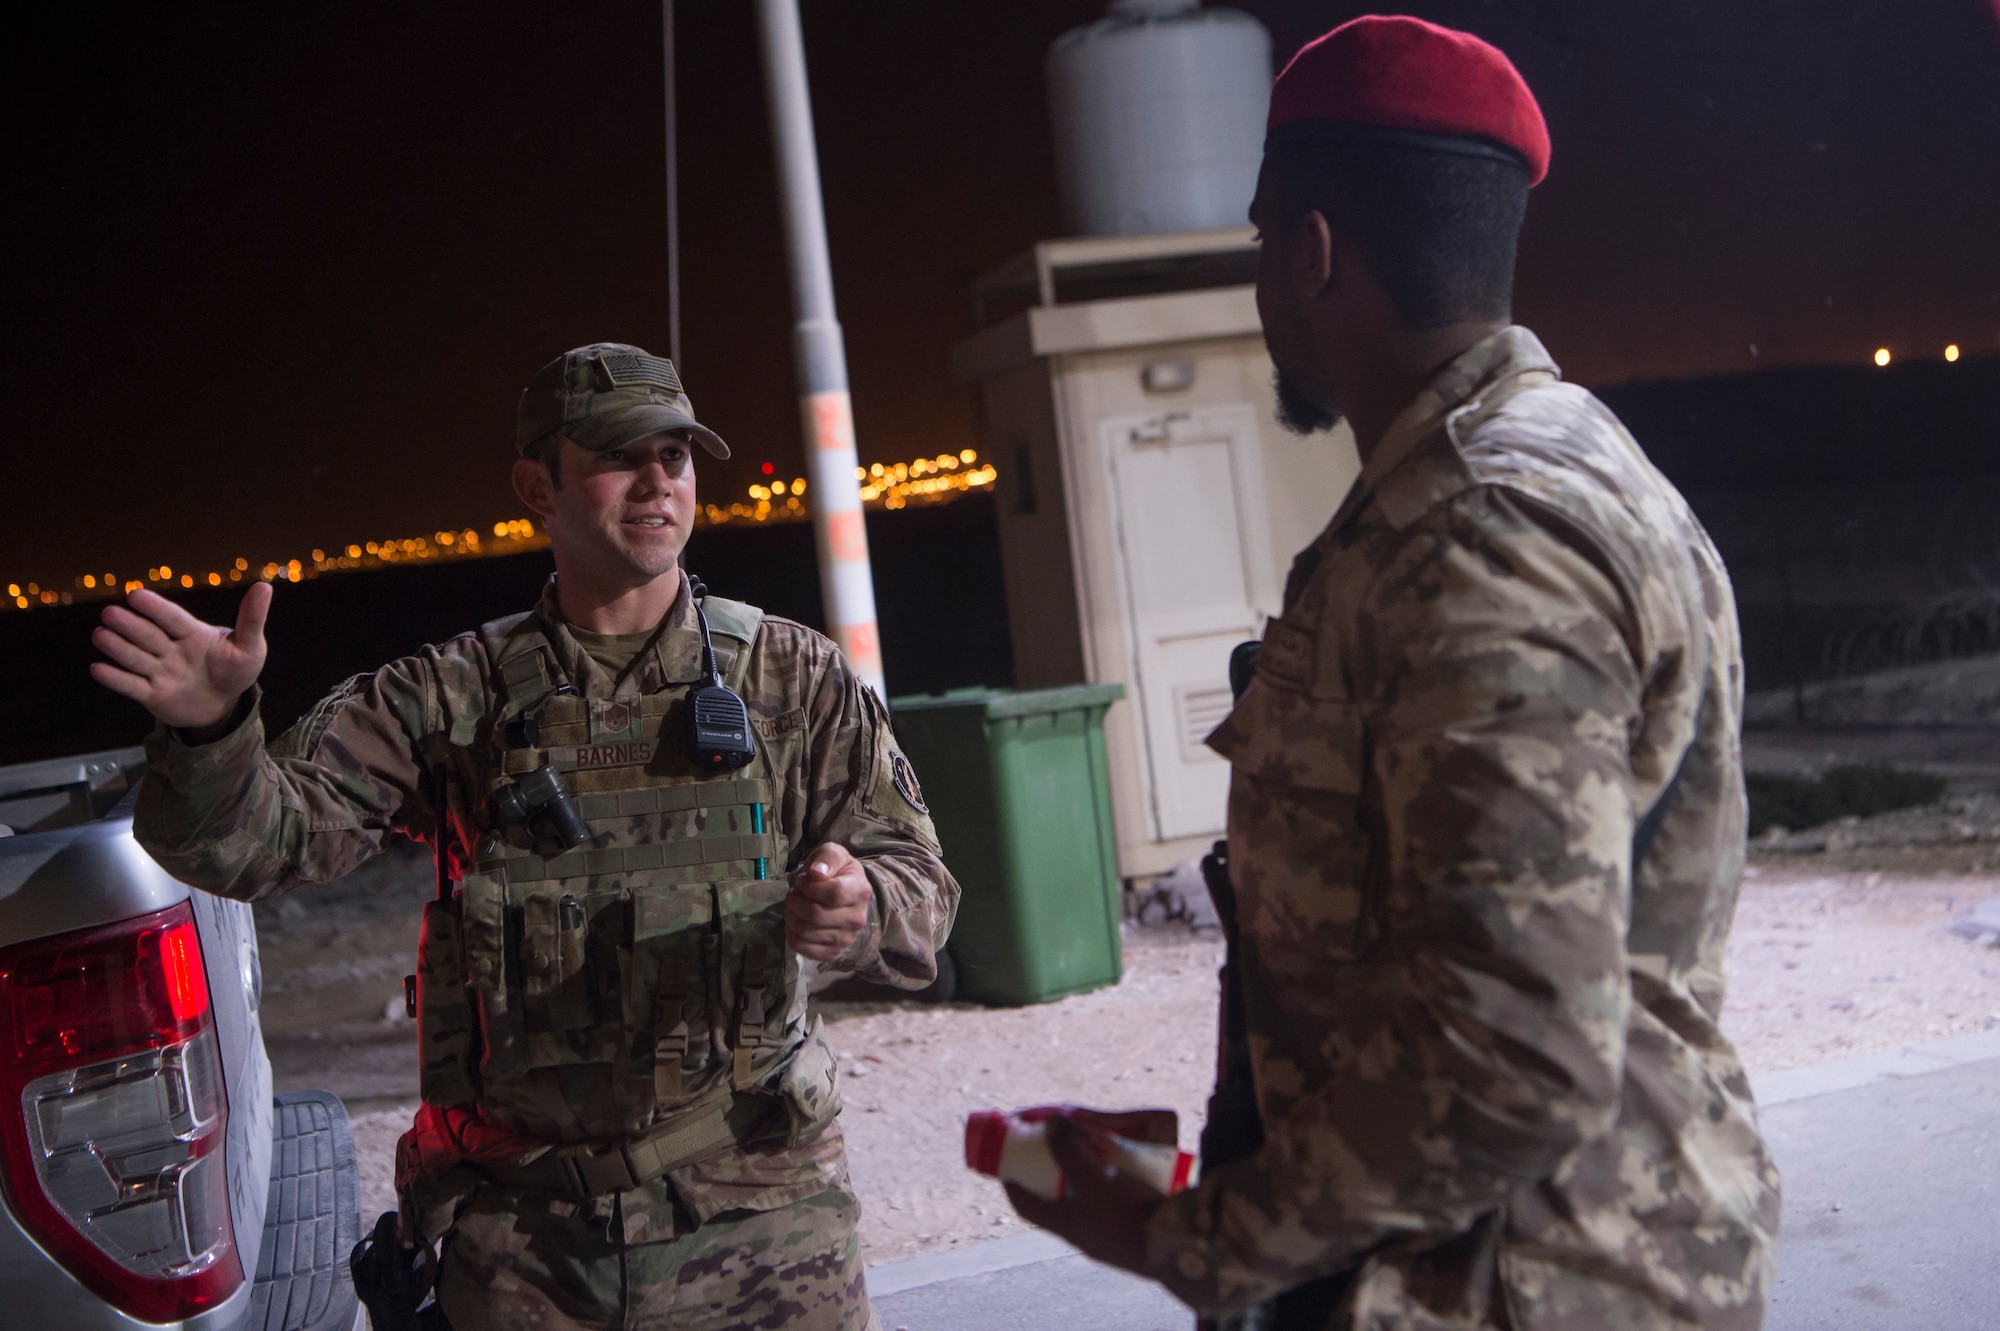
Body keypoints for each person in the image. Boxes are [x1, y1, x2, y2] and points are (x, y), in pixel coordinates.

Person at [1006, 17, 1780, 1330]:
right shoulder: (1514, 478)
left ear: (1312, 253)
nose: (1260, 276)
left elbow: (1514, 1050)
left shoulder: (1484, 535)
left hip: (1518, 1288)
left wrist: (1194, 1235)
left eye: (1263, 242)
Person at [94, 342, 957, 1330]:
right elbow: (258, 845)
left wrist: (860, 905)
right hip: (525, 1248)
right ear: (535, 486)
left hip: (761, 1226)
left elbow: (921, 889)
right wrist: (211, 733)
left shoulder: (790, 680)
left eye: (675, 456)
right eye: (619, 456)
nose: (656, 483)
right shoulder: (452, 693)